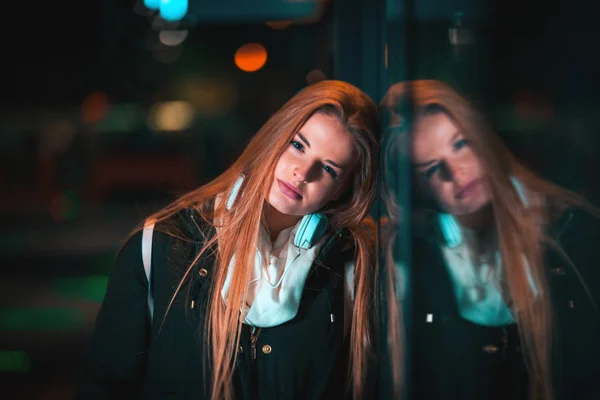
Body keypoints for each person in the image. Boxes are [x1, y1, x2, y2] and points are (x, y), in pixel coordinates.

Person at [75, 80, 380, 400]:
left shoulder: (350, 269)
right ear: (275, 136)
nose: (302, 173)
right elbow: (105, 385)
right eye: (298, 145)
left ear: (343, 189)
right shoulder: (161, 245)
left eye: (329, 169)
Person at [379, 80, 600, 400]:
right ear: (415, 189)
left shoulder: (571, 231)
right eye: (431, 169)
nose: (457, 173)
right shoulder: (413, 263)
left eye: (461, 145)